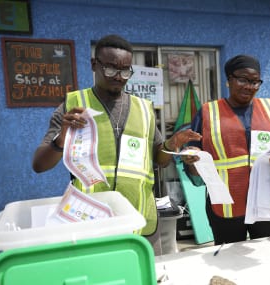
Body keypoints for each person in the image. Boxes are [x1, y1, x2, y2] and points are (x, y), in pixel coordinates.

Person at [32, 34, 201, 253]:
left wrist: (172, 144)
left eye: (125, 70)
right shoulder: (74, 106)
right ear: (94, 65)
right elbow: (39, 165)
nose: (119, 77)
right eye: (110, 69)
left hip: (140, 220)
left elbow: (159, 160)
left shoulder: (144, 108)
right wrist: (61, 139)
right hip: (92, 219)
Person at [181, 54, 270, 245]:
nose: (249, 86)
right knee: (228, 260)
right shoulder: (208, 112)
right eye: (242, 79)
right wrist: (190, 161)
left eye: (255, 81)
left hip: (266, 201)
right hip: (225, 203)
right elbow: (194, 161)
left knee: (268, 258)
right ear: (228, 80)